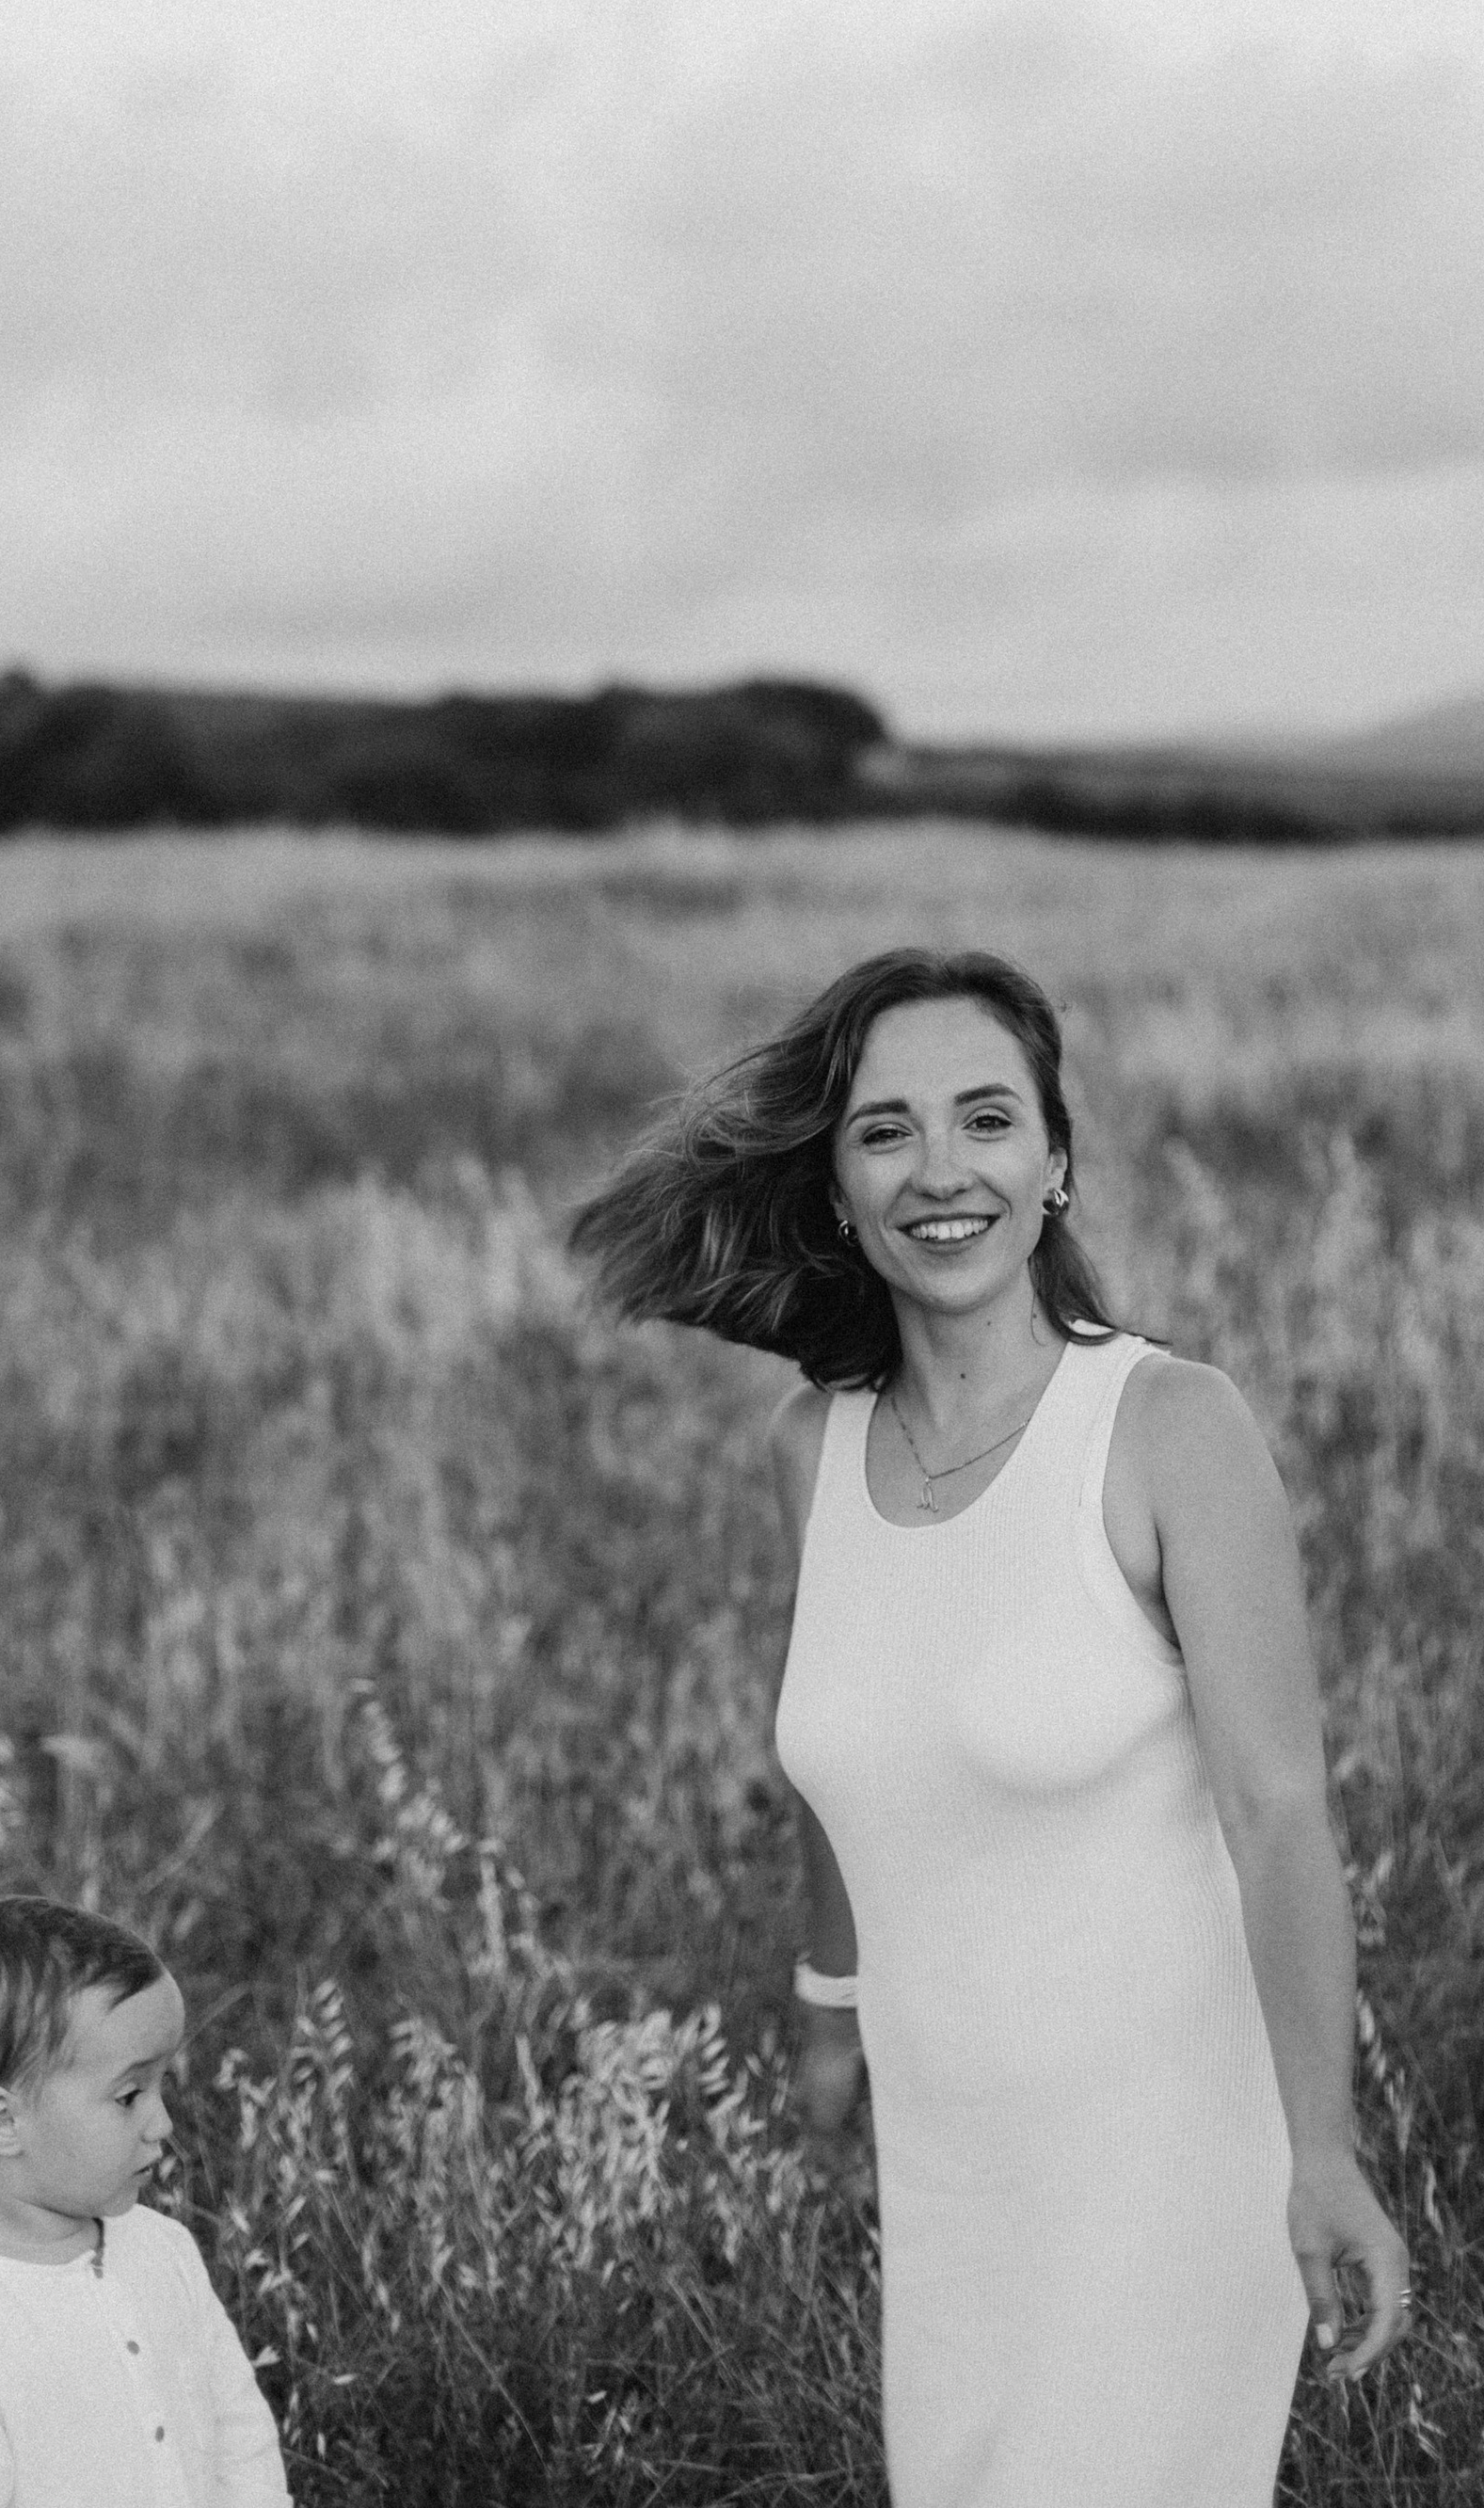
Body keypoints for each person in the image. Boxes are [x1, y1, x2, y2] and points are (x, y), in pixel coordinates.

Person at [570, 946, 1409, 2508]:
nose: (940, 1169)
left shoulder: (1168, 1426)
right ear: (837, 1190)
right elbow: (849, 1760)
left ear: (1056, 1161)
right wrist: (829, 2009)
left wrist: (1325, 2150)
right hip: (950, 2157)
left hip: (1160, 2160)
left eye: (987, 1118)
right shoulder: (813, 1449)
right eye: (885, 1131)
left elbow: (1280, 1810)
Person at [0, 1893, 290, 2508]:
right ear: (3, 2122)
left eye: (161, 2086)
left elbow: (241, 2439)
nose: (163, 2123)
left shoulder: (164, 2249)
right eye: (129, 2096)